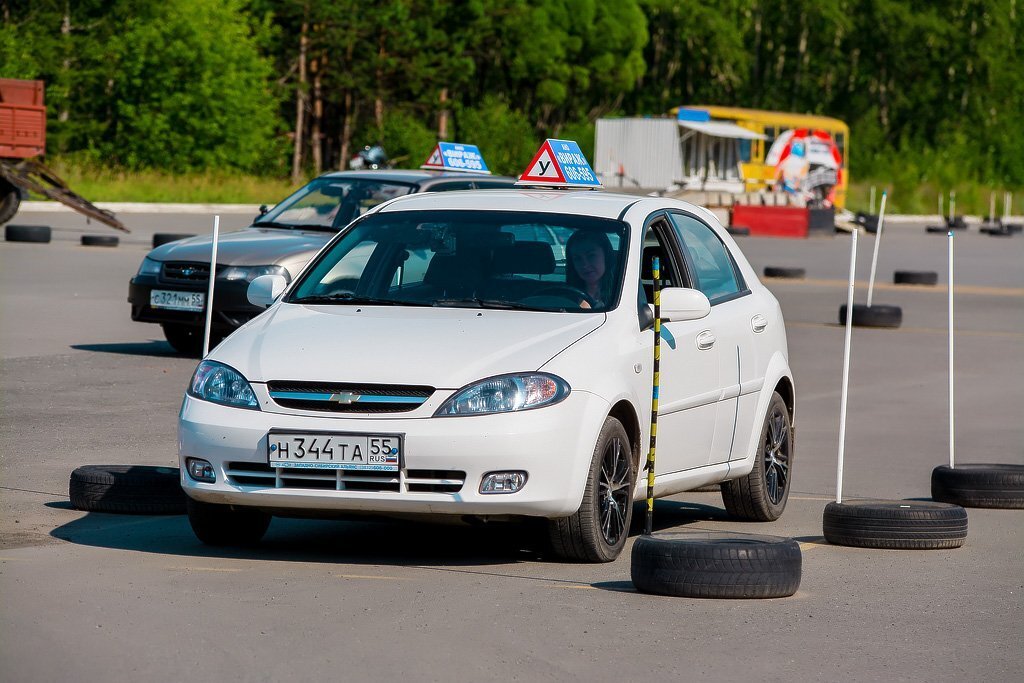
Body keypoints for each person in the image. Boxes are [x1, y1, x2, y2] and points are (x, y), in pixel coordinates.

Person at [566, 230, 615, 309]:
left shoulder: (621, 294)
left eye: (591, 256)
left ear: (606, 256)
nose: (585, 265)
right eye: (577, 259)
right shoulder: (563, 297)